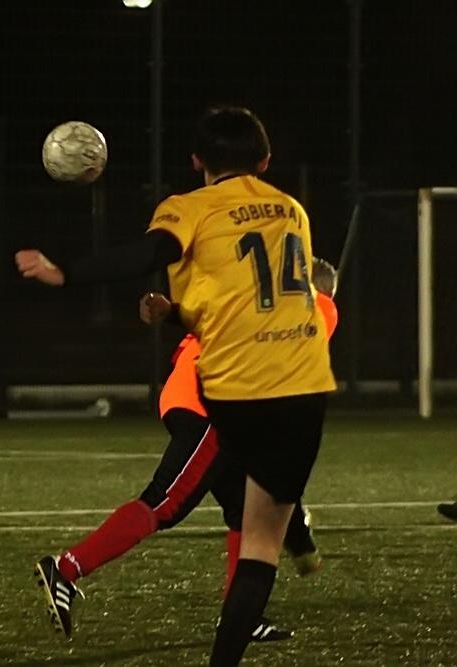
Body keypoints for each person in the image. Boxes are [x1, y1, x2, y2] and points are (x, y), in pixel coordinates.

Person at [17, 107, 336, 665]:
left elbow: (154, 255)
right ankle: (68, 569)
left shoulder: (190, 207)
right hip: (279, 388)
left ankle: (241, 612)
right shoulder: (293, 211)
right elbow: (251, 301)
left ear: (196, 161)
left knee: (225, 512)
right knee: (210, 518)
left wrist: (67, 273)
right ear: (264, 161)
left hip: (231, 387)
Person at [33, 260, 336, 641]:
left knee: (244, 512)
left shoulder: (255, 293)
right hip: (212, 407)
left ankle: (241, 617)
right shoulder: (318, 305)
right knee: (162, 505)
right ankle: (66, 569)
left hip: (188, 393)